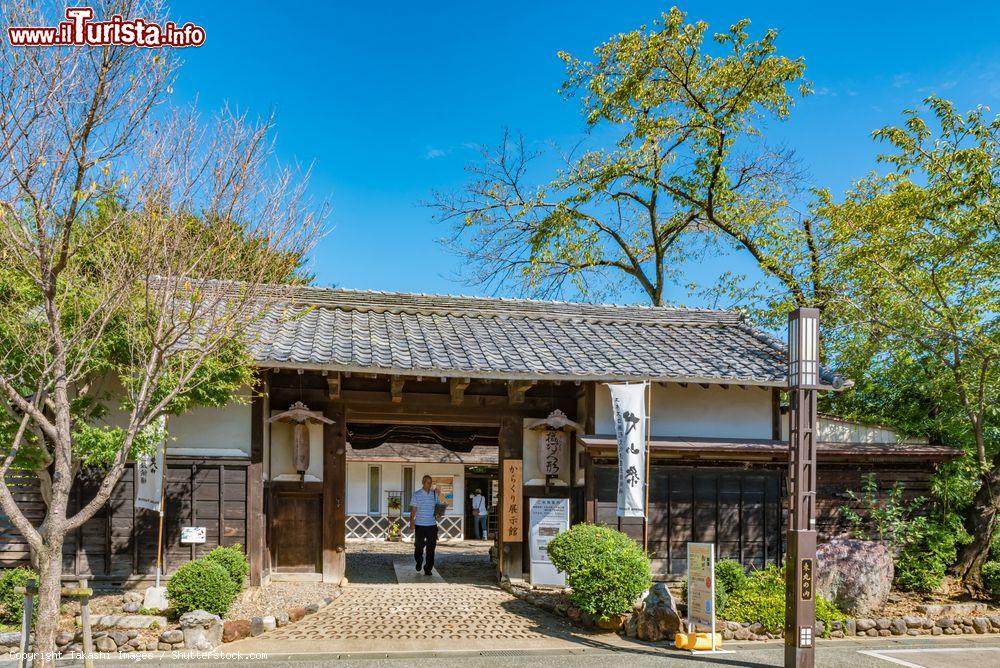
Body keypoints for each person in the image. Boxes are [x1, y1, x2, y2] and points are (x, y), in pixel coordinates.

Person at [409, 474, 439, 575]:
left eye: (430, 483)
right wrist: (411, 523)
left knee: (431, 548)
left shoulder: (434, 494)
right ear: (423, 482)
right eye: (427, 482)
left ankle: (428, 568)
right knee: (418, 546)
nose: (429, 485)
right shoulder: (416, 494)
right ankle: (419, 560)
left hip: (432, 525)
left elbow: (437, 509)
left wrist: (439, 514)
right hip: (420, 525)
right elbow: (413, 511)